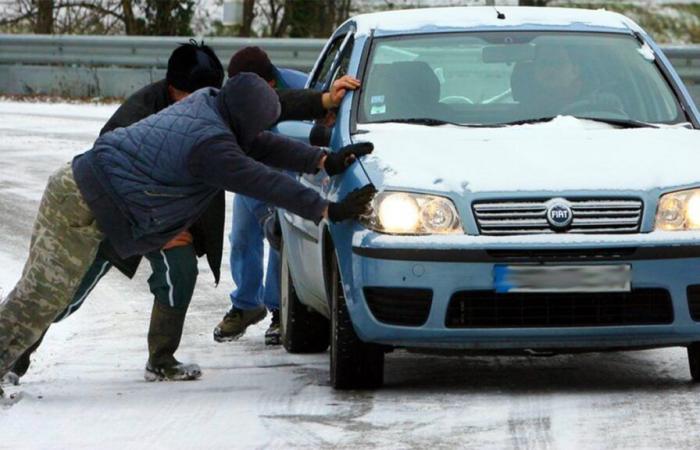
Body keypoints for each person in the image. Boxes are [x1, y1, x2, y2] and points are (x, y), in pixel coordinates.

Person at [0, 72, 375, 398]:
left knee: (47, 296)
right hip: (81, 202)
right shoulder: (210, 146)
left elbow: (258, 142)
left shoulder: (213, 102)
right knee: (42, 297)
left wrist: (321, 159)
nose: (257, 131)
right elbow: (265, 182)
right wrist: (326, 208)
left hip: (96, 195)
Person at [4, 40, 226, 385]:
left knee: (181, 271)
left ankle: (161, 359)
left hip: (163, 220)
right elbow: (110, 179)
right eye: (191, 96)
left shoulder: (214, 109)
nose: (201, 104)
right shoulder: (138, 113)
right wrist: (160, 228)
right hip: (114, 217)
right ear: (172, 89)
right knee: (64, 295)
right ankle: (14, 358)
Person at [214, 46, 360, 345]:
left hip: (290, 168)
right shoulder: (233, 99)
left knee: (280, 234)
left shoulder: (301, 87)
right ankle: (245, 305)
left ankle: (279, 309)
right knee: (242, 236)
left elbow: (320, 129)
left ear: (270, 83)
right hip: (251, 169)